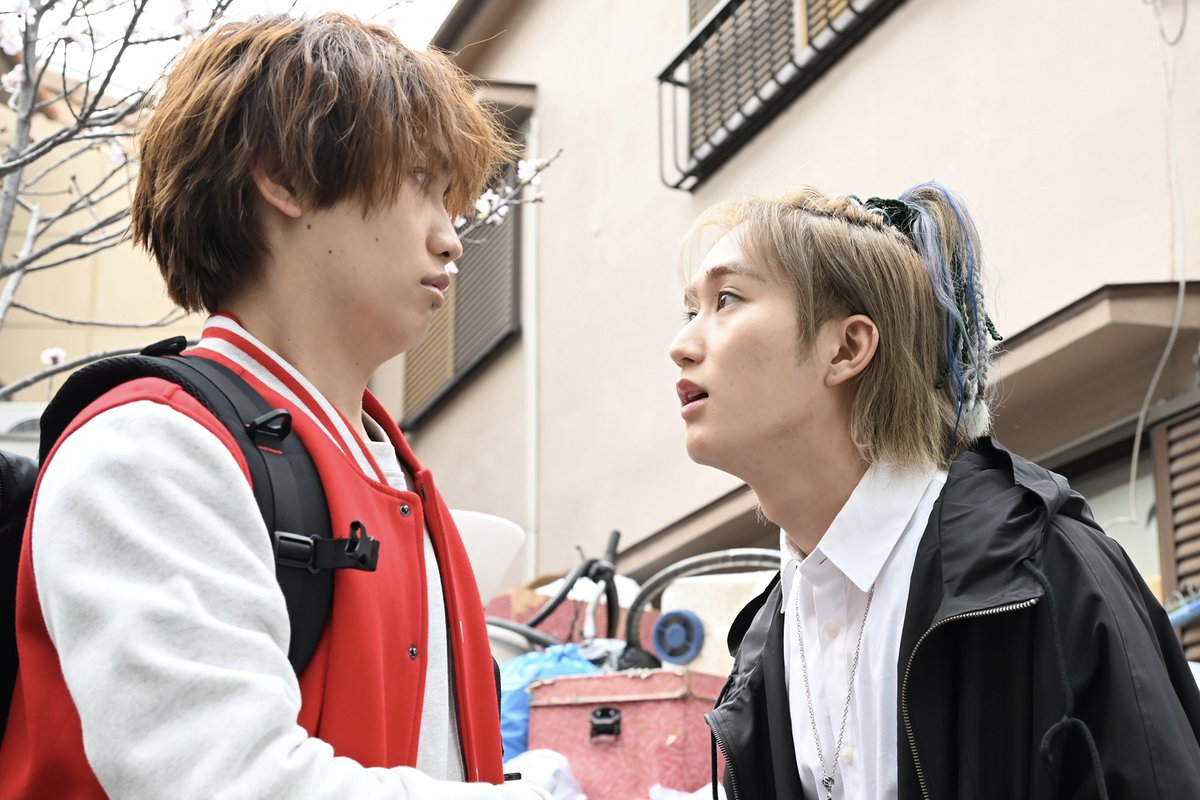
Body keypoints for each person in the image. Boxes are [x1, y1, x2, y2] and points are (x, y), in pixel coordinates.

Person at [0, 13, 550, 799]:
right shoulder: (151, 450)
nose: (451, 237)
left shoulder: (392, 472)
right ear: (286, 178)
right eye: (422, 183)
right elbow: (224, 779)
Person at [668, 184, 1200, 799]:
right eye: (691, 311)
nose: (682, 345)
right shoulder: (763, 645)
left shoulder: (1045, 574)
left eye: (726, 300)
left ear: (846, 347)